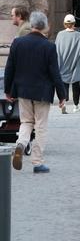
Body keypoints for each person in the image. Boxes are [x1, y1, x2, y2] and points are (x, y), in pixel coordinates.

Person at [4, 11, 66, 173]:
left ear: (31, 25)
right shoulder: (49, 47)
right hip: (42, 92)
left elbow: (9, 68)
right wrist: (62, 96)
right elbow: (55, 73)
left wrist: (8, 91)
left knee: (26, 122)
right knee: (40, 126)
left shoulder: (18, 43)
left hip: (23, 91)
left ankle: (20, 145)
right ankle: (37, 162)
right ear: (44, 26)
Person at [55, 13, 80, 113]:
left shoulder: (60, 35)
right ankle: (76, 106)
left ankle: (64, 102)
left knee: (64, 83)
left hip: (63, 62)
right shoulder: (78, 35)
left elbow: (56, 49)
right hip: (75, 63)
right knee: (76, 84)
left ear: (64, 24)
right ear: (74, 23)